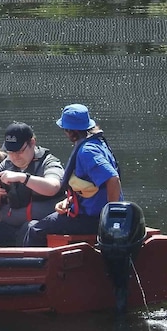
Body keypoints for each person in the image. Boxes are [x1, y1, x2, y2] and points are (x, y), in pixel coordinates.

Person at [24, 104, 122, 246]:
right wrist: (68, 202)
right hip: (89, 214)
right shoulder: (97, 143)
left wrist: (111, 219)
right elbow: (90, 186)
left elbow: (112, 179)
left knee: (36, 230)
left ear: (70, 131)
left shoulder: (87, 152)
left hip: (91, 219)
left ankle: (35, 268)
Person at [0, 122, 64, 247]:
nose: (14, 157)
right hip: (9, 226)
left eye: (19, 151)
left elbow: (53, 187)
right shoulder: (5, 165)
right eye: (10, 152)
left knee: (29, 229)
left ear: (32, 143)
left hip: (38, 229)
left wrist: (23, 178)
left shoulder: (49, 162)